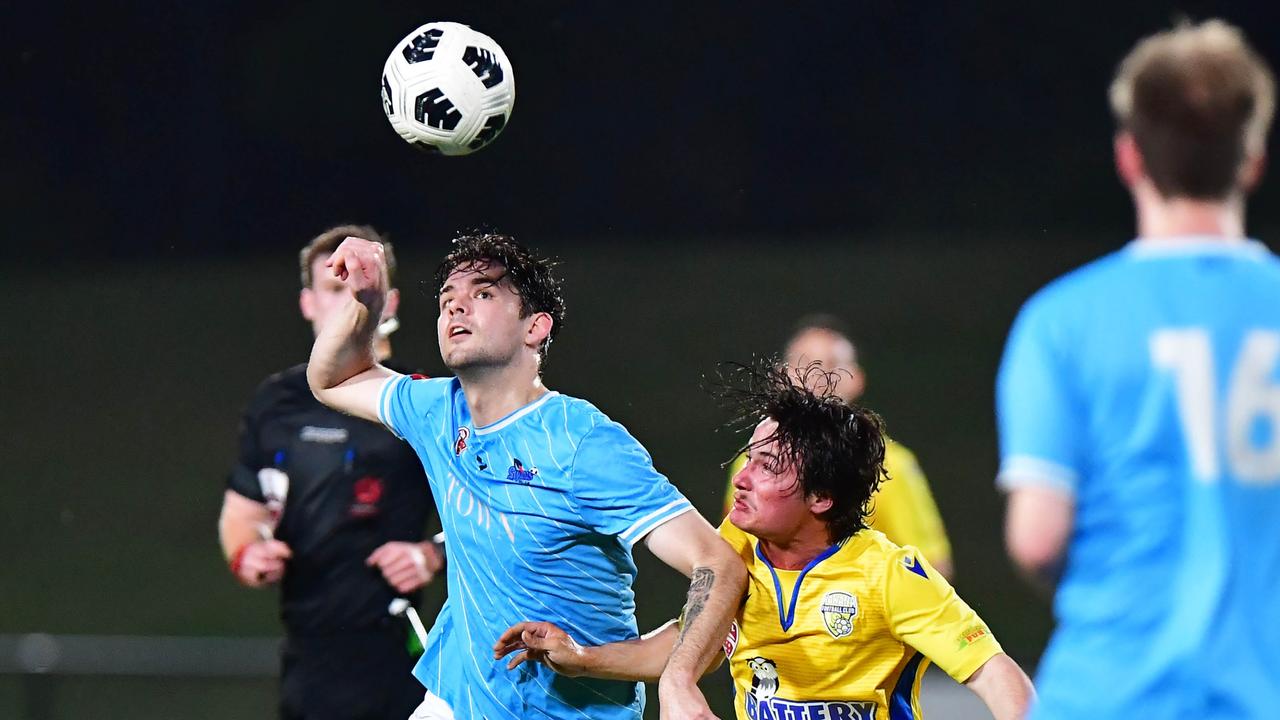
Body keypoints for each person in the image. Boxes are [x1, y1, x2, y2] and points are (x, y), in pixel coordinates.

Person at [306, 232, 747, 720]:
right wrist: (366, 301)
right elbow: (332, 379)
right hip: (456, 702)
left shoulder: (583, 443)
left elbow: (718, 565)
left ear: (535, 327)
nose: (456, 307)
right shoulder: (437, 411)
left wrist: (678, 679)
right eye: (447, 300)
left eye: (483, 293)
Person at [996, 20, 1280, 719]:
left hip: (1109, 693)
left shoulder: (1060, 322)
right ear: (1251, 158)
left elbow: (1038, 537)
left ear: (1129, 157)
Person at [496, 363, 1034, 720]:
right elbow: (694, 644)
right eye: (748, 458)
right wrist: (582, 657)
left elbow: (999, 678)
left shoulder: (889, 576)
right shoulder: (733, 551)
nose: (742, 478)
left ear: (821, 497)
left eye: (768, 466)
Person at [218, 224, 443, 720]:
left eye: (359, 285)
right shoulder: (275, 403)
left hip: (398, 653)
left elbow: (489, 503)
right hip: (308, 654)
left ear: (388, 301)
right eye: (333, 287)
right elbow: (241, 513)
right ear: (307, 303)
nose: (347, 301)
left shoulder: (416, 399)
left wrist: (432, 553)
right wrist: (248, 553)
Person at [723, 316, 953, 578]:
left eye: (830, 366)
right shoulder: (747, 465)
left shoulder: (891, 466)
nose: (814, 377)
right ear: (780, 375)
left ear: (856, 379)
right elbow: (733, 558)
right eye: (802, 364)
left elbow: (931, 568)